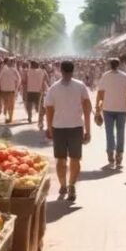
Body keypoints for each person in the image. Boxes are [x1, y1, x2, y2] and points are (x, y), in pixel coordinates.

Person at [44, 61, 91, 203]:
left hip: (59, 127)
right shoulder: (80, 86)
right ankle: (71, 185)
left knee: (60, 158)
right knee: (75, 158)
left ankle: (63, 184)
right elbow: (87, 109)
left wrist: (49, 127)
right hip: (76, 127)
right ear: (73, 70)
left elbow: (49, 109)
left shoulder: (54, 88)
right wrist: (88, 130)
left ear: (60, 70)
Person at [94, 58, 126, 168]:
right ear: (119, 64)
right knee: (121, 132)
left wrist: (97, 107)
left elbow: (100, 92)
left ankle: (110, 153)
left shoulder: (105, 76)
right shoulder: (125, 77)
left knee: (109, 132)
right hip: (122, 109)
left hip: (108, 108)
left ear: (109, 65)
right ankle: (119, 154)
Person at [0, 58, 21, 124]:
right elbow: (19, 79)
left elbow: (18, 79)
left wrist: (16, 87)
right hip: (7, 90)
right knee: (9, 105)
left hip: (8, 90)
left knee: (8, 104)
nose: (11, 63)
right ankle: (9, 117)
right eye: (10, 62)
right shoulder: (10, 70)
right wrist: (17, 87)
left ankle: (9, 117)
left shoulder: (11, 70)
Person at [24, 61, 47, 125]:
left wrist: (25, 90)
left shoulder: (27, 71)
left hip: (30, 91)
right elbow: (45, 80)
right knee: (39, 106)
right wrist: (44, 89)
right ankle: (40, 119)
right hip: (38, 91)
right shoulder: (42, 71)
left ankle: (29, 117)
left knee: (29, 105)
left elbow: (25, 81)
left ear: (31, 65)